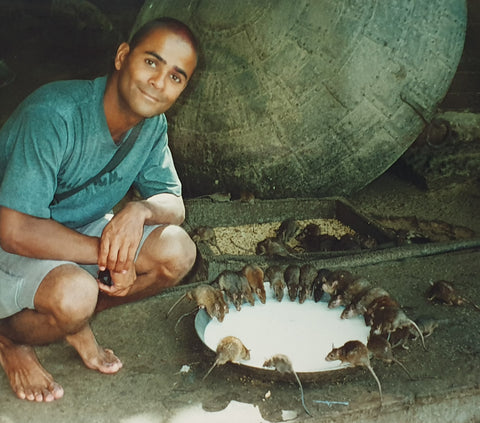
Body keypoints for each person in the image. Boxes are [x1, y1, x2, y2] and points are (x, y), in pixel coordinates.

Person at [0, 17, 198, 402]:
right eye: (152, 62)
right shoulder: (55, 115)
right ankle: (10, 339)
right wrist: (109, 255)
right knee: (74, 295)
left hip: (70, 236)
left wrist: (139, 210)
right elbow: (14, 229)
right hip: (9, 245)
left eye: (176, 76)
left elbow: (173, 205)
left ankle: (71, 322)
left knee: (178, 252)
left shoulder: (151, 126)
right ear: (123, 56)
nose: (159, 82)